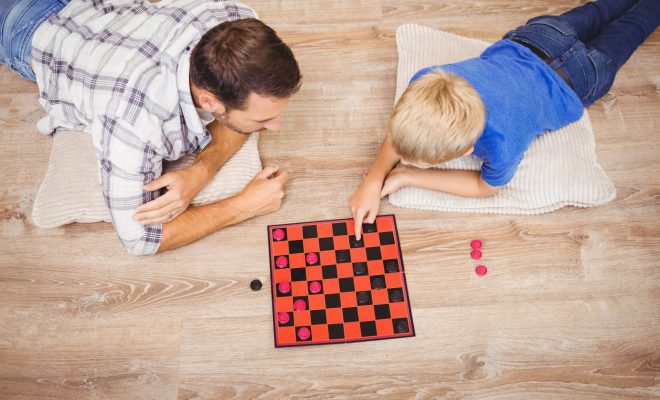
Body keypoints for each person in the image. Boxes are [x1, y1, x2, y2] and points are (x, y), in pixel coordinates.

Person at [0, 0, 301, 255]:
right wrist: (242, 206)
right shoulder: (134, 123)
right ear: (209, 101)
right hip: (24, 25)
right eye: (261, 120)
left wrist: (201, 172)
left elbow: (234, 124)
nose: (276, 126)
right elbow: (139, 239)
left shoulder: (237, 21)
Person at [349, 0, 659, 239]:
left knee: (636, 22)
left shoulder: (502, 144)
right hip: (543, 37)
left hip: (581, 77)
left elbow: (486, 188)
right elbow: (401, 129)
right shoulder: (426, 80)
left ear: (466, 151)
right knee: (604, 10)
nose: (398, 156)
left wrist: (408, 176)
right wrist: (375, 179)